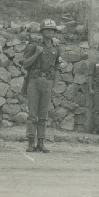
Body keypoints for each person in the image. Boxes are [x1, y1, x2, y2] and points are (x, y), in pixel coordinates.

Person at [19, 20, 62, 152]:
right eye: (47, 30)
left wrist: (55, 86)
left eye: (52, 30)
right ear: (42, 32)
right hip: (34, 80)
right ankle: (31, 142)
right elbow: (25, 64)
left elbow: (57, 68)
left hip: (48, 81)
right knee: (33, 114)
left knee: (43, 115)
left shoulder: (56, 48)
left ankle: (41, 142)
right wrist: (37, 53)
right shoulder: (34, 46)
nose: (49, 32)